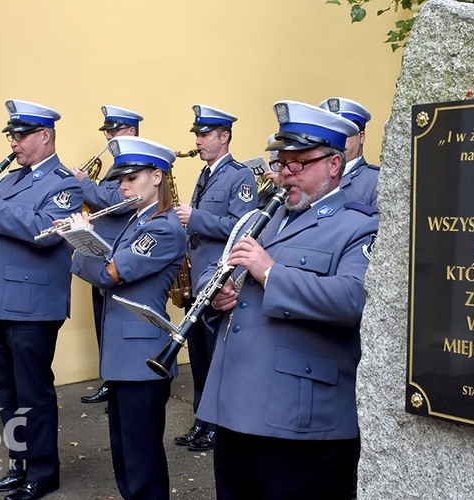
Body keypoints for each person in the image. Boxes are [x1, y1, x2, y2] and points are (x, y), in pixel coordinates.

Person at [197, 100, 379, 499]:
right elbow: (222, 268)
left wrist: (271, 273)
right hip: (234, 406)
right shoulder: (267, 215)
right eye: (281, 164)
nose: (285, 175)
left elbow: (354, 299)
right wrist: (219, 294)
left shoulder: (360, 224)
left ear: (333, 164)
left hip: (299, 418)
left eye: (299, 164)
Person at [0, 99, 83, 500]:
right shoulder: (10, 180)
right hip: (1, 301)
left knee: (33, 391)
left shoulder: (65, 183)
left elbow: (44, 232)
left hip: (34, 305)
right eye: (11, 135)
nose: (14, 143)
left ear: (44, 136)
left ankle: (43, 472)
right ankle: (19, 464)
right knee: (6, 390)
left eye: (21, 135)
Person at [65, 136, 186, 499]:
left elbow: (107, 274)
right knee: (123, 454)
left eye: (132, 178)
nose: (123, 186)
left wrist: (80, 239)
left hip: (142, 356)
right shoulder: (135, 222)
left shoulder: (162, 228)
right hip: (122, 354)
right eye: (121, 180)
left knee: (141, 459)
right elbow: (103, 266)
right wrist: (86, 245)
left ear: (158, 176)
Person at [173, 104, 257, 451]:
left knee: (217, 356)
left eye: (205, 134)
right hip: (199, 277)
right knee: (200, 356)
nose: (198, 140)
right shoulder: (205, 175)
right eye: (197, 134)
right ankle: (201, 419)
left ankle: (218, 425)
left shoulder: (240, 176)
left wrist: (194, 218)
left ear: (224, 137)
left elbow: (242, 227)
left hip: (221, 279)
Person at [71, 105, 144, 406]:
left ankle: (120, 384)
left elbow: (119, 200)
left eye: (114, 130)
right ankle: (109, 380)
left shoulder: (139, 162)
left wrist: (83, 184)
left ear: (130, 131)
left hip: (120, 255)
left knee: (119, 323)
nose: (109, 136)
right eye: (107, 131)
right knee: (103, 320)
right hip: (100, 251)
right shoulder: (115, 165)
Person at [320, 97, 380, 209]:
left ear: (361, 137)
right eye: (330, 134)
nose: (336, 140)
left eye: (344, 134)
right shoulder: (314, 175)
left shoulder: (376, 181)